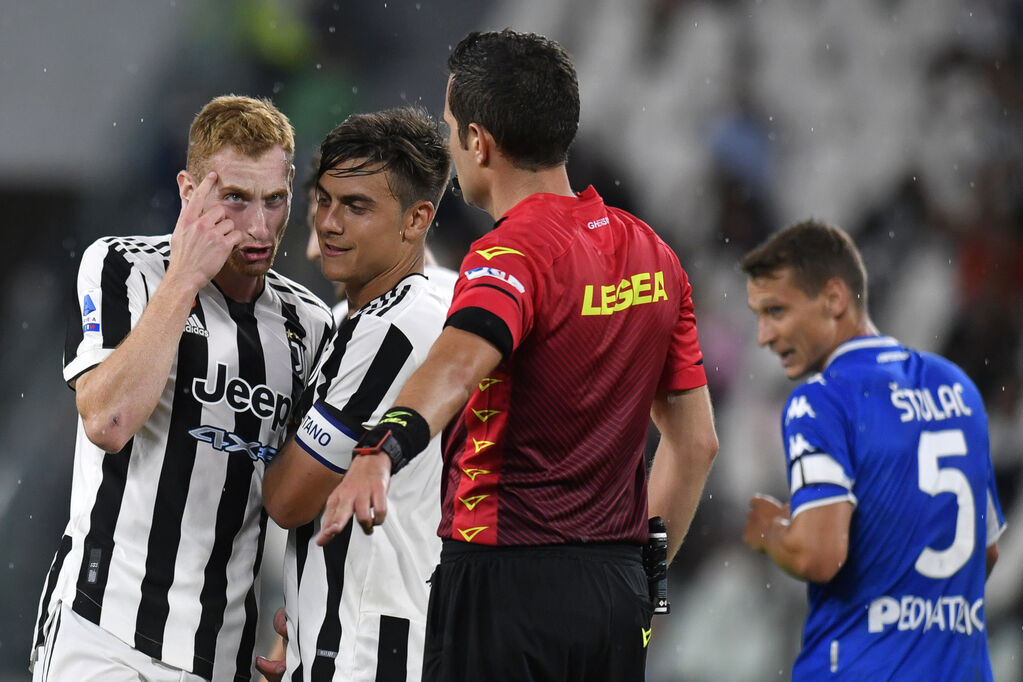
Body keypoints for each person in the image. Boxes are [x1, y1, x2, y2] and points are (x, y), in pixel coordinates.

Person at [316, 29, 719, 681]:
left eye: (451, 129)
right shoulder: (652, 253)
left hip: (506, 583)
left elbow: (456, 364)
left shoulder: (511, 254)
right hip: (614, 593)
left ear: (479, 142)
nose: (450, 146)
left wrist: (377, 450)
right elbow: (695, 443)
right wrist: (646, 575)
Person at [30, 95, 335, 682]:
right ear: (186, 191)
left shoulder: (311, 325)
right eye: (233, 199)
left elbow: (302, 499)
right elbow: (108, 423)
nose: (257, 226)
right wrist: (186, 278)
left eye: (274, 200)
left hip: (218, 655)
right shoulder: (123, 268)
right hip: (100, 632)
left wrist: (306, 621)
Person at [740, 219, 1006, 680]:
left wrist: (771, 532)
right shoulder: (957, 387)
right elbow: (985, 554)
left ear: (835, 299)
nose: (764, 335)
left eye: (777, 311)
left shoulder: (822, 399)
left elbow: (818, 554)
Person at [259, 106, 452, 682]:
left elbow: (288, 500)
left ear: (417, 218)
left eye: (357, 207)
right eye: (323, 201)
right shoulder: (370, 319)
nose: (329, 224)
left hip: (370, 646)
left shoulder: (396, 329)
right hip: (347, 635)